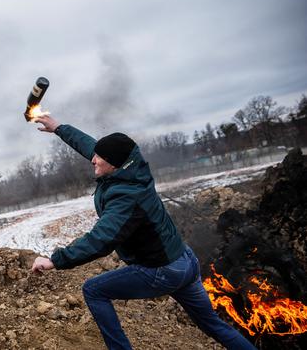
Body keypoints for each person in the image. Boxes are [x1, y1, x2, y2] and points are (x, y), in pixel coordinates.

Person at [29, 115, 256, 350]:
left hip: (163, 270)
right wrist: (58, 128)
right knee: (214, 325)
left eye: (100, 158)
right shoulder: (130, 167)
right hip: (184, 261)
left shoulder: (126, 196)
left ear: (115, 164)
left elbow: (101, 239)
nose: (93, 160)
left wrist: (55, 260)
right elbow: (93, 148)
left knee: (93, 290)